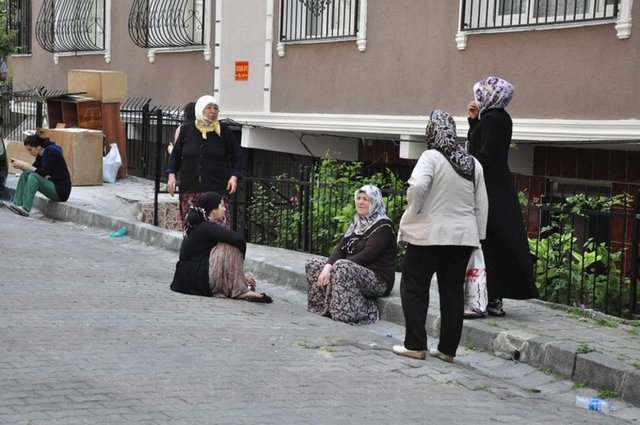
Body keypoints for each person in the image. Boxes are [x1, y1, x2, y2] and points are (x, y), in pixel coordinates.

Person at [392, 109, 488, 363]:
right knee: (452, 292)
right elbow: (482, 203)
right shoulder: (472, 163)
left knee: (414, 287)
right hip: (462, 238)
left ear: (431, 131)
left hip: (428, 235)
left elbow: (418, 186)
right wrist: (478, 236)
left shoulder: (431, 157)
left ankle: (415, 345)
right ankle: (447, 350)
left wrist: (413, 211)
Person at [467, 76, 539, 317]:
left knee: (488, 243)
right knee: (498, 243)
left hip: (489, 190)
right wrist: (474, 121)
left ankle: (486, 296)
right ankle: (493, 297)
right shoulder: (501, 118)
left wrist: (464, 165)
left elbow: (484, 155)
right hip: (500, 187)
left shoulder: (491, 120)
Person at [305, 185, 397, 325]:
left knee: (342, 266)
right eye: (358, 198)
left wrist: (335, 268)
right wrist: (328, 267)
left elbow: (368, 255)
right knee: (314, 264)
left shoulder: (384, 226)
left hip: (378, 279)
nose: (360, 202)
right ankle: (324, 308)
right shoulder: (357, 222)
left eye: (365, 199)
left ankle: (346, 313)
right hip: (349, 269)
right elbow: (340, 249)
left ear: (375, 202)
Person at [170, 191, 273, 303]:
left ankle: (240, 285)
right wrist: (240, 267)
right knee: (229, 246)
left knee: (224, 245)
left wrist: (241, 276)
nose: (224, 209)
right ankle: (241, 291)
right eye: (222, 206)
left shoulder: (198, 225)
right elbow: (239, 240)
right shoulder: (206, 227)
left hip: (183, 280)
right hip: (196, 280)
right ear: (214, 210)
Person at [166, 95, 243, 229]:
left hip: (216, 190)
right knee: (193, 230)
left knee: (220, 229)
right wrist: (171, 175)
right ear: (200, 109)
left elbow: (237, 155)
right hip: (190, 189)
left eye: (216, 108)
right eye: (209, 108)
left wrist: (234, 176)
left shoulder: (224, 132)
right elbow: (175, 156)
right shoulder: (186, 130)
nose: (213, 112)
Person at [3, 133, 71, 217]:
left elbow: (43, 172)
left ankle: (25, 208)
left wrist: (26, 166)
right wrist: (21, 166)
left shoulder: (51, 151)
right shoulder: (41, 154)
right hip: (51, 184)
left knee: (33, 176)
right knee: (26, 174)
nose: (29, 152)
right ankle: (17, 203)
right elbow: (34, 170)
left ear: (38, 147)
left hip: (60, 191)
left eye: (30, 149)